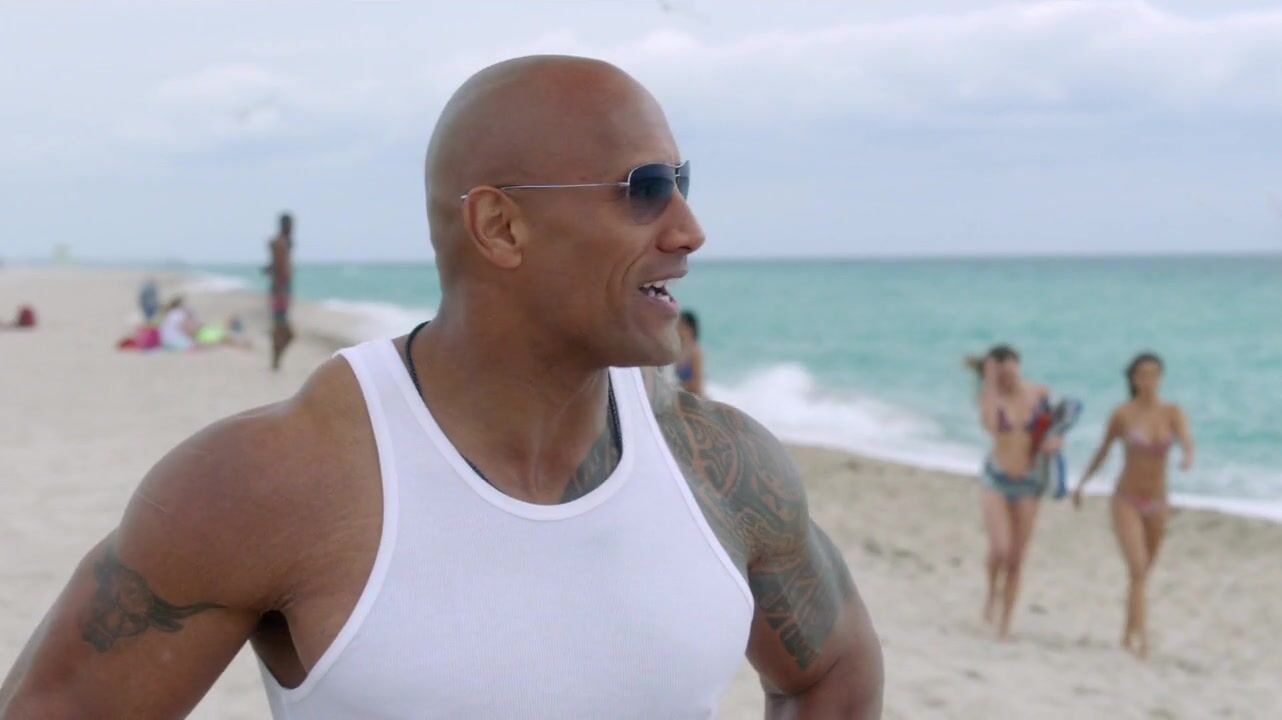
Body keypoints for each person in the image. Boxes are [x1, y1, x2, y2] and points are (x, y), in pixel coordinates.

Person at [0, 56, 882, 719]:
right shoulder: (270, 481)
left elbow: (833, 673)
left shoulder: (723, 467)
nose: (690, 229)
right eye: (646, 189)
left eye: (683, 184)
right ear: (500, 226)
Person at [1073, 352, 1193, 659]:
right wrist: (1083, 483)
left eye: (1154, 374)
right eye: (1143, 375)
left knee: (1142, 574)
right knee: (1138, 568)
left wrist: (1187, 456)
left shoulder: (1172, 412)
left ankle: (1127, 635)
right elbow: (1103, 450)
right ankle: (1142, 642)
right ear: (1133, 379)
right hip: (1126, 499)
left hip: (1158, 501)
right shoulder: (1123, 414)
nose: (1149, 380)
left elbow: (1186, 440)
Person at [970, 344, 1059, 639]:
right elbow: (990, 425)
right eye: (1001, 373)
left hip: (1029, 483)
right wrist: (990, 383)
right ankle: (990, 595)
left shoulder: (1040, 394)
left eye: (1011, 371)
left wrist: (1054, 442)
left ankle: (1005, 622)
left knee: (1017, 558)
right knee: (1000, 549)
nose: (1008, 378)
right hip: (996, 480)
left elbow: (1054, 429)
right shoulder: (990, 398)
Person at [264, 212, 295, 371]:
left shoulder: (284, 243)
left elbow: (275, 266)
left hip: (282, 289)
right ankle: (275, 361)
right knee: (283, 330)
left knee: (281, 329)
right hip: (280, 290)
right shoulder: (279, 243)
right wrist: (281, 289)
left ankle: (276, 361)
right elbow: (278, 267)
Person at [675, 309, 705, 396]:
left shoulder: (695, 351)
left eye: (680, 325)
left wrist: (675, 385)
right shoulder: (678, 349)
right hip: (680, 395)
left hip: (695, 398)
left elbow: (697, 385)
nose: (676, 328)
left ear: (689, 329)